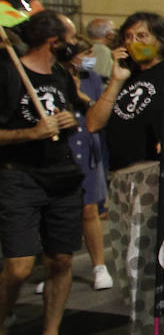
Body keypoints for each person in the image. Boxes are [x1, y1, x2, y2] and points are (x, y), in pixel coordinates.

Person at [0, 10, 83, 335]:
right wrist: (29, 133)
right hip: (20, 176)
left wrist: (69, 122)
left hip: (63, 177)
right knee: (19, 267)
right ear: (55, 42)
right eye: (70, 40)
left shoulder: (61, 76)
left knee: (61, 259)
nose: (75, 47)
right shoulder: (7, 72)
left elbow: (72, 121)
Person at [87, 12, 164, 173]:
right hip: (120, 173)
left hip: (160, 170)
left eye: (141, 36)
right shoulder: (125, 74)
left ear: (161, 41)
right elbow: (93, 124)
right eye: (128, 37)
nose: (133, 42)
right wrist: (116, 81)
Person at [64, 37, 111, 290]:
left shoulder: (91, 78)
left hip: (87, 146)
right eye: (87, 53)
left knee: (89, 209)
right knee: (61, 212)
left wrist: (84, 98)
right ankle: (58, 268)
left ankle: (99, 266)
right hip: (65, 149)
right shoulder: (57, 76)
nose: (91, 57)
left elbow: (101, 110)